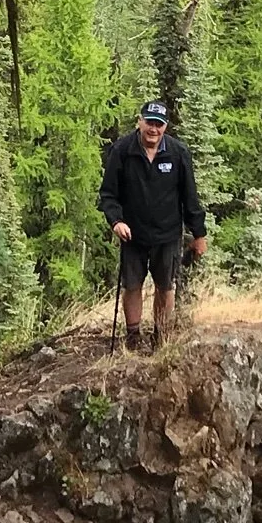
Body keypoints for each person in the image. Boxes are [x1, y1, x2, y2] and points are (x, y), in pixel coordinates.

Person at [97, 98, 207, 353]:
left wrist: (198, 234)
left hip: (167, 235)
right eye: (149, 123)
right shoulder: (122, 150)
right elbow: (108, 194)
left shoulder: (178, 153)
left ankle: (161, 336)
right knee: (132, 285)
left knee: (165, 287)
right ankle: (133, 336)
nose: (153, 129)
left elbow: (190, 197)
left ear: (165, 126)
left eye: (159, 124)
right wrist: (116, 221)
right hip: (132, 235)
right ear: (140, 122)